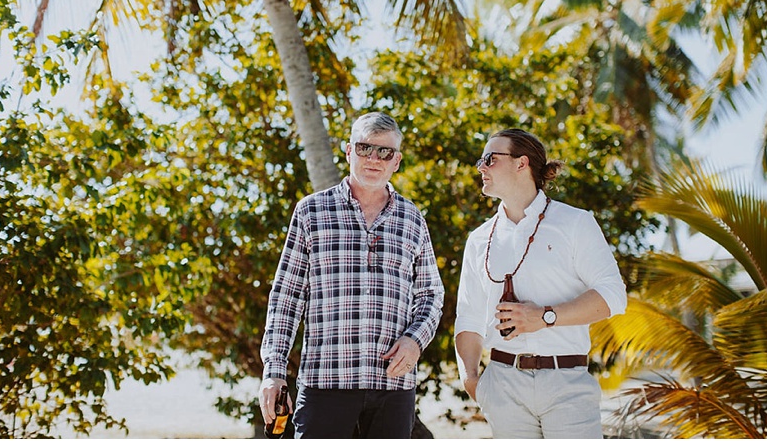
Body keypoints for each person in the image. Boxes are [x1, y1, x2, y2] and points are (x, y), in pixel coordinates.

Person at [259, 112, 444, 438]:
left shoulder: (413, 219)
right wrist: (274, 371)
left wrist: (416, 341)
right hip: (326, 382)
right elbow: (287, 296)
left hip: (392, 385)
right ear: (348, 151)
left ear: (396, 161)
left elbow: (430, 294)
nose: (374, 158)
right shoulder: (311, 212)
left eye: (384, 152)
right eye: (364, 148)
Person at [455, 128, 627, 439]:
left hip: (567, 384)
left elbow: (613, 296)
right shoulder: (479, 239)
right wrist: (470, 378)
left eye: (490, 159)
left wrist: (544, 317)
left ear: (522, 164)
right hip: (502, 386)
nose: (481, 167)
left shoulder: (575, 222)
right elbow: (468, 315)